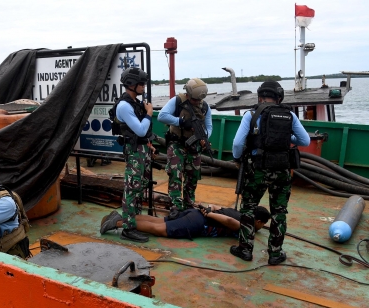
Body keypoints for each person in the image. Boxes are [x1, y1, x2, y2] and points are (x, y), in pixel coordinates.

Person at [231, 80, 310, 265]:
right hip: (282, 170)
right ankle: (275, 254)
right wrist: (285, 137)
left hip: (257, 170)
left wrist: (237, 159)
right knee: (279, 212)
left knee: (249, 208)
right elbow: (304, 140)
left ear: (259, 96)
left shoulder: (251, 114)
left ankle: (245, 250)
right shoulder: (289, 114)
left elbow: (237, 143)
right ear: (279, 97)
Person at [158, 78, 212, 218]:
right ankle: (175, 205)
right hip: (177, 144)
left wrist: (204, 138)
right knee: (175, 175)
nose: (196, 103)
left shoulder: (204, 106)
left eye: (198, 100)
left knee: (193, 176)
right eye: (194, 100)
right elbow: (162, 116)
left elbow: (209, 126)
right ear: (188, 94)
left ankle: (189, 203)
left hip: (194, 147)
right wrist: (181, 122)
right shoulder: (177, 101)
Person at [112, 67, 154, 243]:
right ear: (131, 85)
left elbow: (143, 134)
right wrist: (150, 114)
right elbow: (140, 129)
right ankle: (128, 229)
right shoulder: (124, 106)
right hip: (135, 151)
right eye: (141, 84)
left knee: (139, 186)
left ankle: (135, 221)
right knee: (131, 188)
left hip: (142, 149)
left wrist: (149, 145)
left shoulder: (134, 102)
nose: (144, 87)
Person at [100, 205, 270, 239]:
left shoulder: (239, 212)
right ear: (259, 221)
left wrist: (208, 209)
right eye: (262, 225)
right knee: (159, 229)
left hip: (195, 213)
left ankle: (122, 217)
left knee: (159, 220)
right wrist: (210, 215)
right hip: (198, 222)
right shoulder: (245, 225)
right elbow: (228, 221)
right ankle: (118, 223)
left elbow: (220, 208)